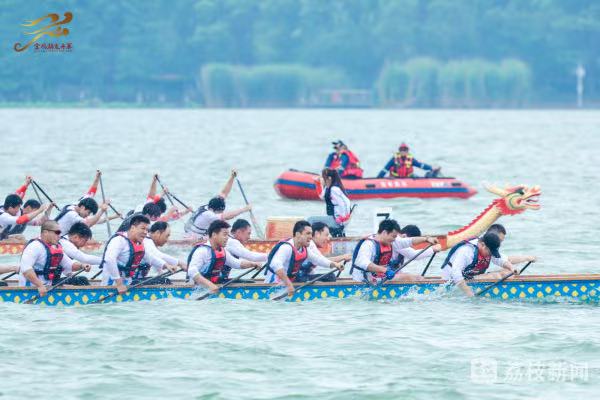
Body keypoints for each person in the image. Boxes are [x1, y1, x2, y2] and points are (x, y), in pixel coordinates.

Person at [263, 220, 344, 298]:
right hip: (274, 284)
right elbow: (275, 264)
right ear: (298, 234)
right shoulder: (287, 248)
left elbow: (317, 260)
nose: (310, 237)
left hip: (289, 282)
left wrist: (335, 265)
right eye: (308, 233)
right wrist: (289, 285)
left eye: (311, 234)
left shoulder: (304, 248)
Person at [100, 215, 178, 293]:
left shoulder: (139, 243)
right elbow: (109, 259)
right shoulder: (118, 241)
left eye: (147, 230)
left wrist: (166, 265)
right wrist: (119, 284)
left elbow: (150, 258)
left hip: (127, 283)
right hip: (112, 286)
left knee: (163, 281)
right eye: (143, 228)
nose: (145, 232)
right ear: (133, 228)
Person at [350, 219, 438, 284]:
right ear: (384, 233)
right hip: (363, 279)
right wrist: (385, 270)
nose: (395, 239)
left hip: (377, 277)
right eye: (393, 236)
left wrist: (426, 239)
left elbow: (407, 241)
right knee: (412, 278)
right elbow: (363, 263)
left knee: (417, 278)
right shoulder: (369, 244)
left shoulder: (391, 241)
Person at [18, 221, 92, 296]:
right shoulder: (34, 246)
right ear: (45, 232)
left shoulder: (55, 247)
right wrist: (40, 285)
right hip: (32, 288)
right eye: (57, 233)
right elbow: (26, 269)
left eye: (60, 233)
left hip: (48, 286)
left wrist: (82, 266)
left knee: (81, 280)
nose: (59, 236)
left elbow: (69, 265)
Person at [187, 220, 261, 292]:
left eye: (228, 235)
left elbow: (236, 263)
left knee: (249, 282)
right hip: (197, 289)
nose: (227, 238)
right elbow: (192, 271)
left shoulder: (222, 251)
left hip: (214, 284)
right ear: (214, 235)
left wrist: (252, 264)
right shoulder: (202, 251)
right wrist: (210, 285)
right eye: (224, 234)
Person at [440, 232, 519, 297]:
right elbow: (455, 274)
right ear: (483, 245)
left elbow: (500, 260)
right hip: (452, 281)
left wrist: (512, 268)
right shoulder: (467, 251)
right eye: (490, 252)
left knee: (507, 272)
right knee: (496, 276)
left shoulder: (488, 247)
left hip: (468, 277)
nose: (491, 254)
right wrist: (469, 293)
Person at [184, 169, 252, 239]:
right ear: (216, 210)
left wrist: (232, 177)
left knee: (221, 226)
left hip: (193, 233)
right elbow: (228, 216)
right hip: (193, 238)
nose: (221, 213)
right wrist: (244, 209)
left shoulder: (208, 206)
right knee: (222, 224)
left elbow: (224, 193)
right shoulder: (209, 215)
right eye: (220, 212)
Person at [308, 168, 352, 237]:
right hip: (334, 218)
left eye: (323, 177)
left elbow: (346, 203)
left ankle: (309, 239)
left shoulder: (334, 189)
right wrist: (318, 183)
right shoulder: (328, 188)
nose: (321, 179)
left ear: (329, 178)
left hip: (337, 221)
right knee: (312, 219)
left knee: (310, 220)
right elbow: (322, 196)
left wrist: (343, 218)